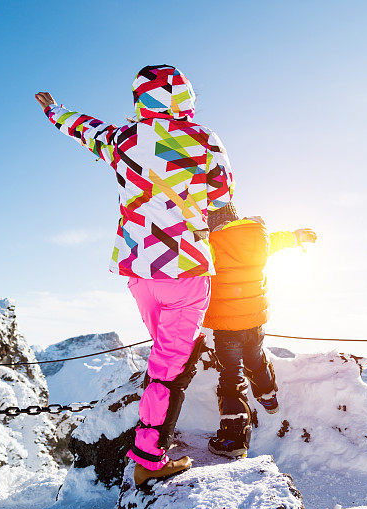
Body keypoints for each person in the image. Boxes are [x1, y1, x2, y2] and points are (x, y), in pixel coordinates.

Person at [34, 64, 233, 485]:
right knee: (168, 367)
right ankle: (149, 458)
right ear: (184, 97)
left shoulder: (123, 140)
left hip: (139, 268)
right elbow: (223, 197)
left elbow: (85, 128)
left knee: (166, 354)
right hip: (186, 266)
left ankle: (154, 433)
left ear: (141, 99)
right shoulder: (205, 141)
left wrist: (55, 112)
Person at [203, 202, 316, 458]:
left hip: (226, 326)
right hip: (255, 320)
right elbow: (280, 240)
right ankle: (268, 397)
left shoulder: (208, 244)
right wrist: (298, 236)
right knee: (255, 357)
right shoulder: (257, 238)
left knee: (231, 378)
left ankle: (234, 440)